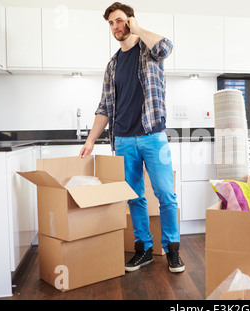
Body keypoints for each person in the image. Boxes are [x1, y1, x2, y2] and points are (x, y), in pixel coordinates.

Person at [79, 2, 184, 273]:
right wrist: (91, 139)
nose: (115, 26)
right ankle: (144, 249)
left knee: (165, 194)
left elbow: (166, 47)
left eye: (119, 20)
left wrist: (138, 29)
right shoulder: (112, 65)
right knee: (134, 196)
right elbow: (104, 107)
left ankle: (172, 250)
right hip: (124, 140)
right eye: (111, 23)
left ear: (130, 21)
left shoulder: (150, 51)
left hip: (153, 136)